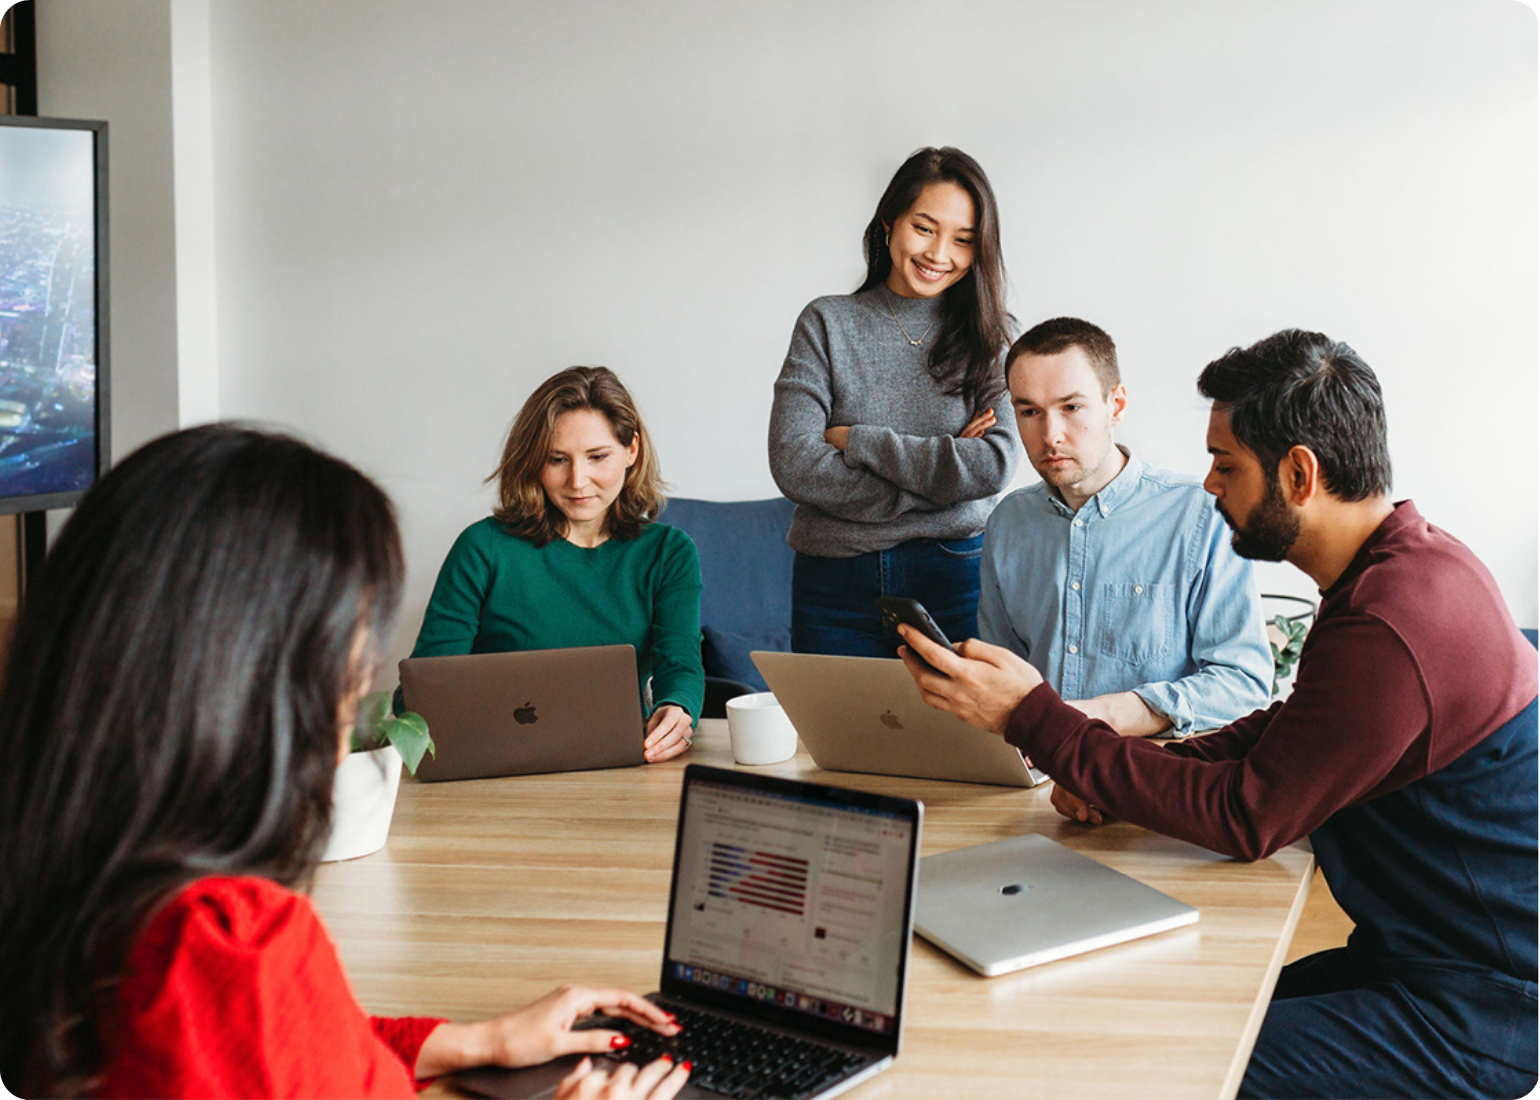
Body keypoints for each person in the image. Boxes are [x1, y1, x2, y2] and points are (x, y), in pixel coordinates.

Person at [895, 330, 1539, 1099]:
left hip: (1485, 1006)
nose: (1208, 485)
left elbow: (1248, 816)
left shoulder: (1390, 622)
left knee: (1174, 1062)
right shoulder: (1407, 570)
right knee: (1165, 1008)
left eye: (1226, 465)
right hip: (1426, 959)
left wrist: (1039, 721)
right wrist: (1108, 763)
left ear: (1299, 473)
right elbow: (1286, 736)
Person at [0, 425, 690, 1100]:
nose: (360, 688)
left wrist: (474, 1042)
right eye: (349, 654)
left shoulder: (79, 894)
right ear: (256, 681)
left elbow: (276, 1046)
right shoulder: (227, 945)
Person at [768, 146, 1020, 656]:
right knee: (834, 737)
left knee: (956, 738)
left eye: (963, 240)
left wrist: (858, 441)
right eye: (924, 228)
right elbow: (793, 463)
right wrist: (943, 477)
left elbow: (993, 464)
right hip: (833, 583)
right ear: (889, 224)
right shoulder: (827, 323)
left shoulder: (992, 335)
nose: (939, 254)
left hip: (954, 576)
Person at [980, 317, 1271, 736]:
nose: (1051, 435)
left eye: (1071, 407)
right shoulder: (1007, 523)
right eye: (1029, 411)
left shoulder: (1201, 515)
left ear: (1115, 405)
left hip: (1154, 772)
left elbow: (1243, 684)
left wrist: (1110, 715)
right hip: (1032, 775)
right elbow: (1000, 678)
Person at [408, 367, 703, 763]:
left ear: (632, 450)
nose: (578, 481)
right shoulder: (482, 548)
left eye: (598, 457)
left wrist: (678, 708)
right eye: (556, 459)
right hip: (494, 761)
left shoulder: (669, 553)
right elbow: (424, 688)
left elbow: (680, 663)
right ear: (533, 461)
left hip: (619, 761)